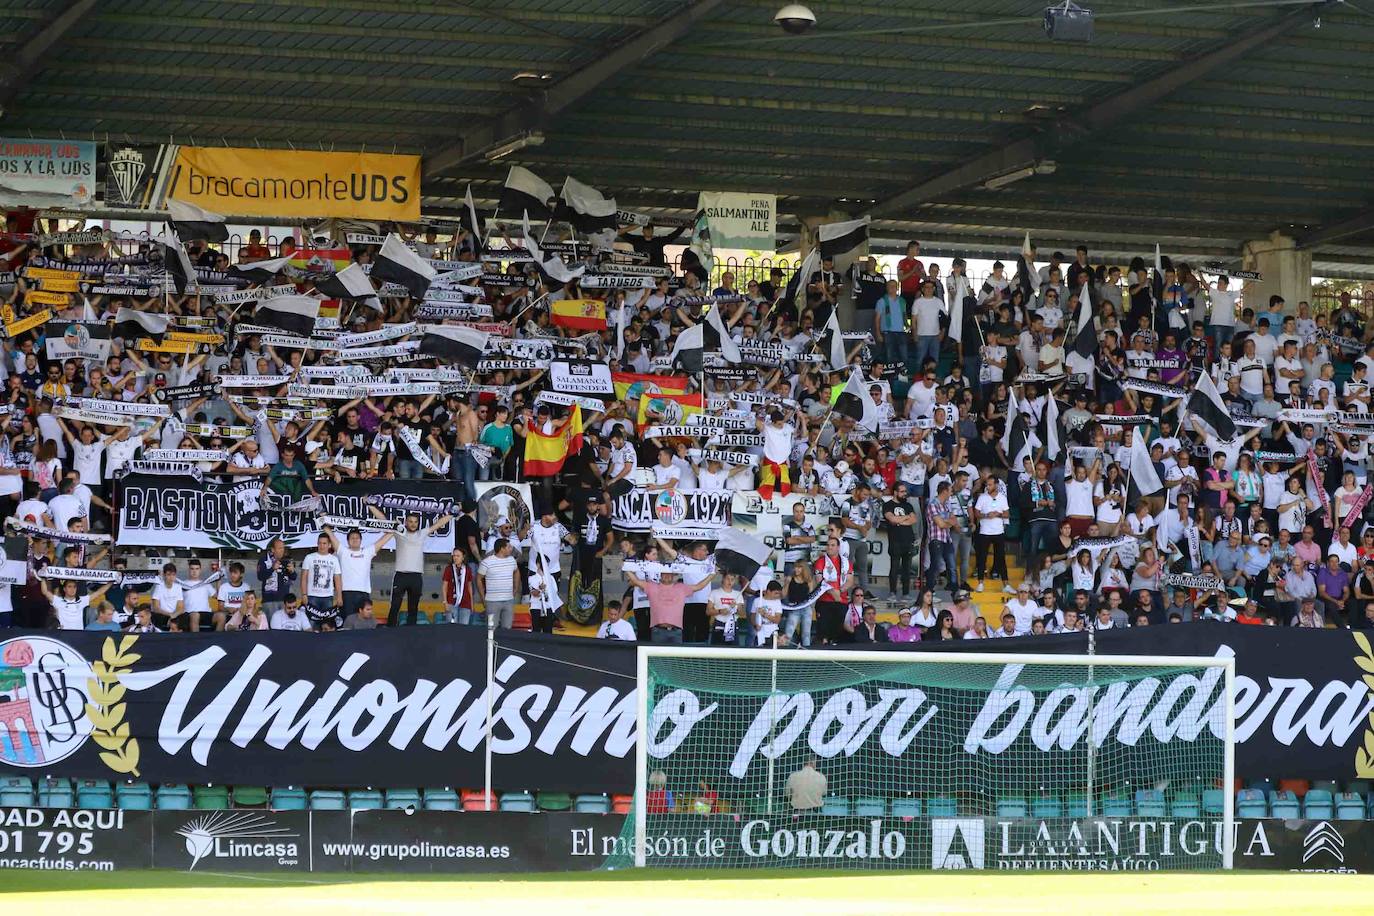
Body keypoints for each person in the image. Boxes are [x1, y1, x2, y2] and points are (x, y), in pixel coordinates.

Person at [477, 538, 521, 630]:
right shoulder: (487, 562)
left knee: (507, 628)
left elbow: (516, 572)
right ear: (502, 548)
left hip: (508, 600)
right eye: (509, 547)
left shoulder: (512, 560)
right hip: (492, 601)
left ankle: (503, 645)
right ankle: (490, 645)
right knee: (491, 628)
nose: (511, 548)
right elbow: (478, 579)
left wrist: (516, 588)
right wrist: (482, 597)